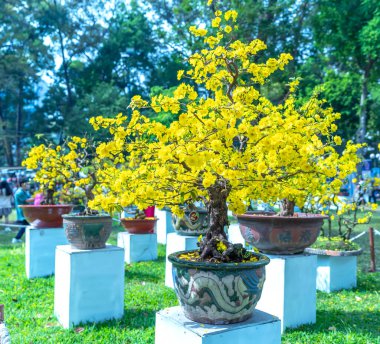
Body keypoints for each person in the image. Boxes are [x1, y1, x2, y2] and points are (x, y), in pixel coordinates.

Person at [12, 179, 34, 244]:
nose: (28, 185)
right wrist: (38, 197)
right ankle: (16, 238)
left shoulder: (25, 191)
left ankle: (17, 238)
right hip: (23, 212)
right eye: (27, 184)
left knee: (25, 225)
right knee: (26, 225)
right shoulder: (19, 192)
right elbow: (27, 200)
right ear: (22, 184)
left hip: (26, 211)